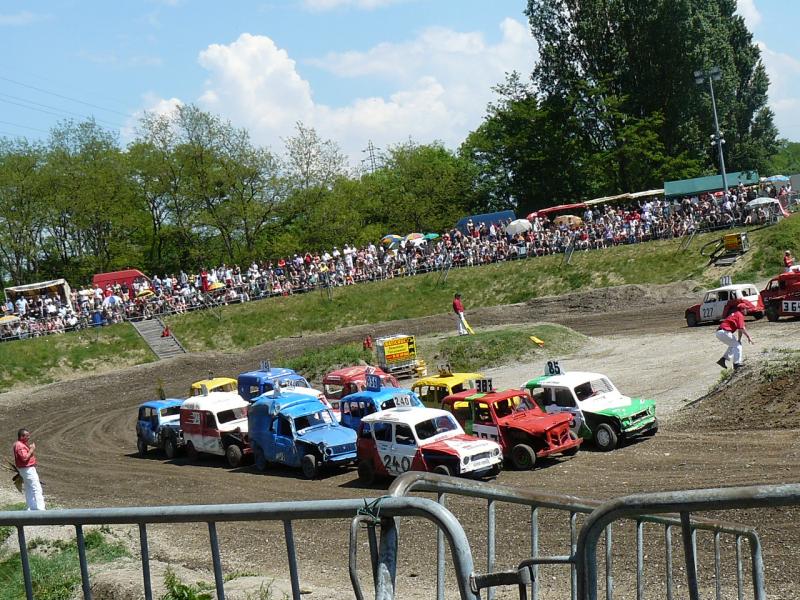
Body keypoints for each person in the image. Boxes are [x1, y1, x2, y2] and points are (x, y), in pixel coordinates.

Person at [13, 428, 45, 511]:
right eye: (27, 436)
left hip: (25, 469)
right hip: (27, 469)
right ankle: (40, 508)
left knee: (29, 488)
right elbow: (24, 458)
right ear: (21, 436)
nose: (29, 437)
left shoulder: (19, 444)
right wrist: (31, 449)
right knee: (36, 487)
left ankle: (31, 507)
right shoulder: (19, 445)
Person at [715, 303, 754, 370]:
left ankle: (723, 359)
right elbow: (741, 328)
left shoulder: (736, 314)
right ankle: (737, 364)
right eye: (746, 309)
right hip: (724, 332)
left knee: (733, 345)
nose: (747, 310)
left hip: (720, 332)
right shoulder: (740, 315)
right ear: (742, 309)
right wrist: (748, 337)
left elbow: (740, 329)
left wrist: (739, 339)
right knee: (738, 346)